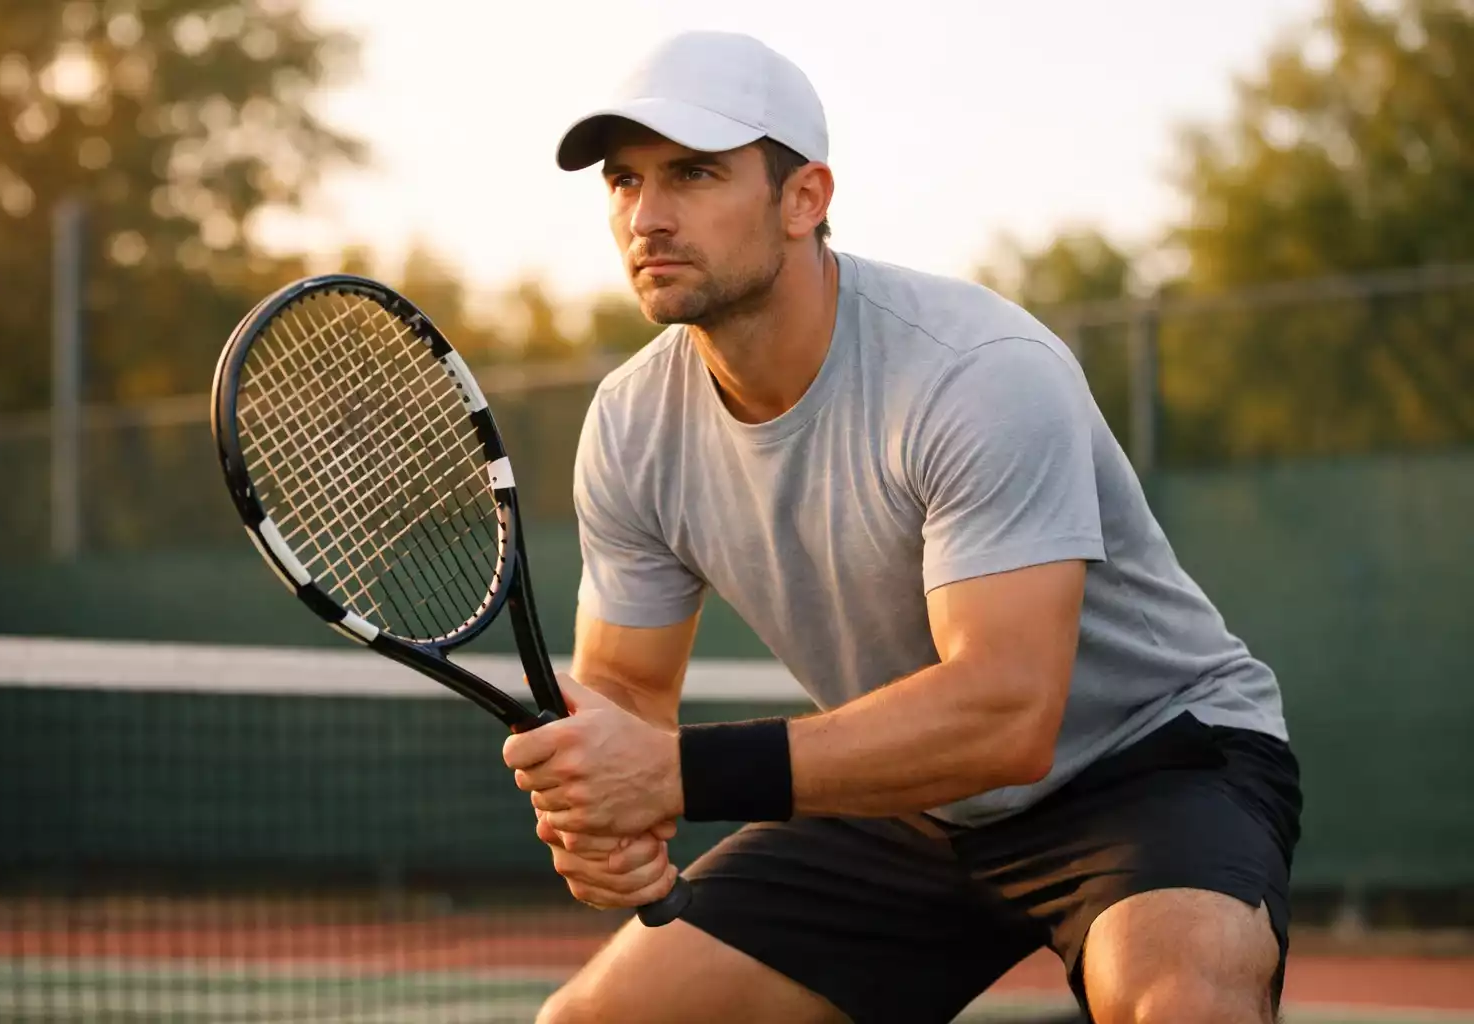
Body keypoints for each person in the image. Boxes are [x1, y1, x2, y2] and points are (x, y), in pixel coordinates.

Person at [501, 29, 1303, 1024]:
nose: (648, 216)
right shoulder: (631, 425)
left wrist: (671, 773)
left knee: (1178, 1004)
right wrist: (608, 808)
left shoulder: (977, 372)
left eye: (694, 173)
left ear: (806, 199)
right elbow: (626, 692)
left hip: (1148, 765)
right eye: (624, 181)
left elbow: (1006, 713)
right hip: (909, 800)